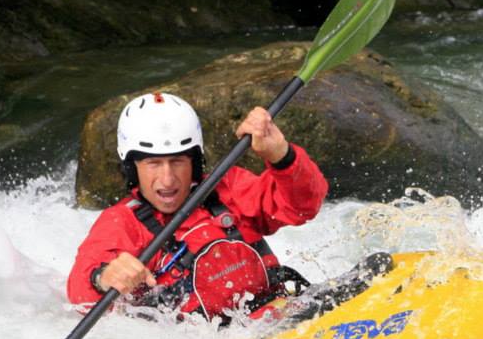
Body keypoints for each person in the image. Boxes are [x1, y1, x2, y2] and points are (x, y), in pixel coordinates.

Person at [67, 92, 328, 322]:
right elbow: (80, 294)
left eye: (178, 161)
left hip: (286, 315)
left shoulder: (229, 189)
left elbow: (304, 205)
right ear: (131, 167)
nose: (167, 179)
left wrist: (281, 155)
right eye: (153, 164)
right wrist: (102, 278)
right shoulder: (122, 222)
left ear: (194, 161)